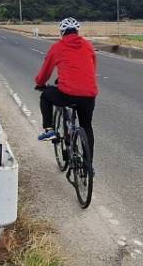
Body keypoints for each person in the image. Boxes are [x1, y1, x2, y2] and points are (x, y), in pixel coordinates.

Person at [34, 17, 99, 172]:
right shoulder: (88, 46)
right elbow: (91, 69)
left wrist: (40, 83)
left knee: (45, 96)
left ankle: (49, 129)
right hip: (89, 94)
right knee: (86, 126)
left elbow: (46, 71)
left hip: (67, 93)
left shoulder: (58, 47)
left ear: (62, 32)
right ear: (77, 31)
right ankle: (88, 164)